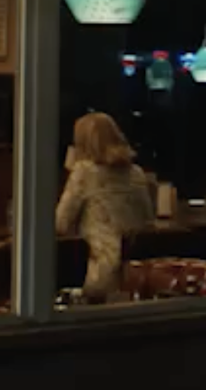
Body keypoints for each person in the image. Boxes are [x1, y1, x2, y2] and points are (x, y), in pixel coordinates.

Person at [56, 112, 153, 301]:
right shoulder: (136, 172)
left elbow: (61, 224)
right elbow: (148, 219)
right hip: (134, 275)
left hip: (98, 275)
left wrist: (70, 176)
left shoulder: (84, 171)